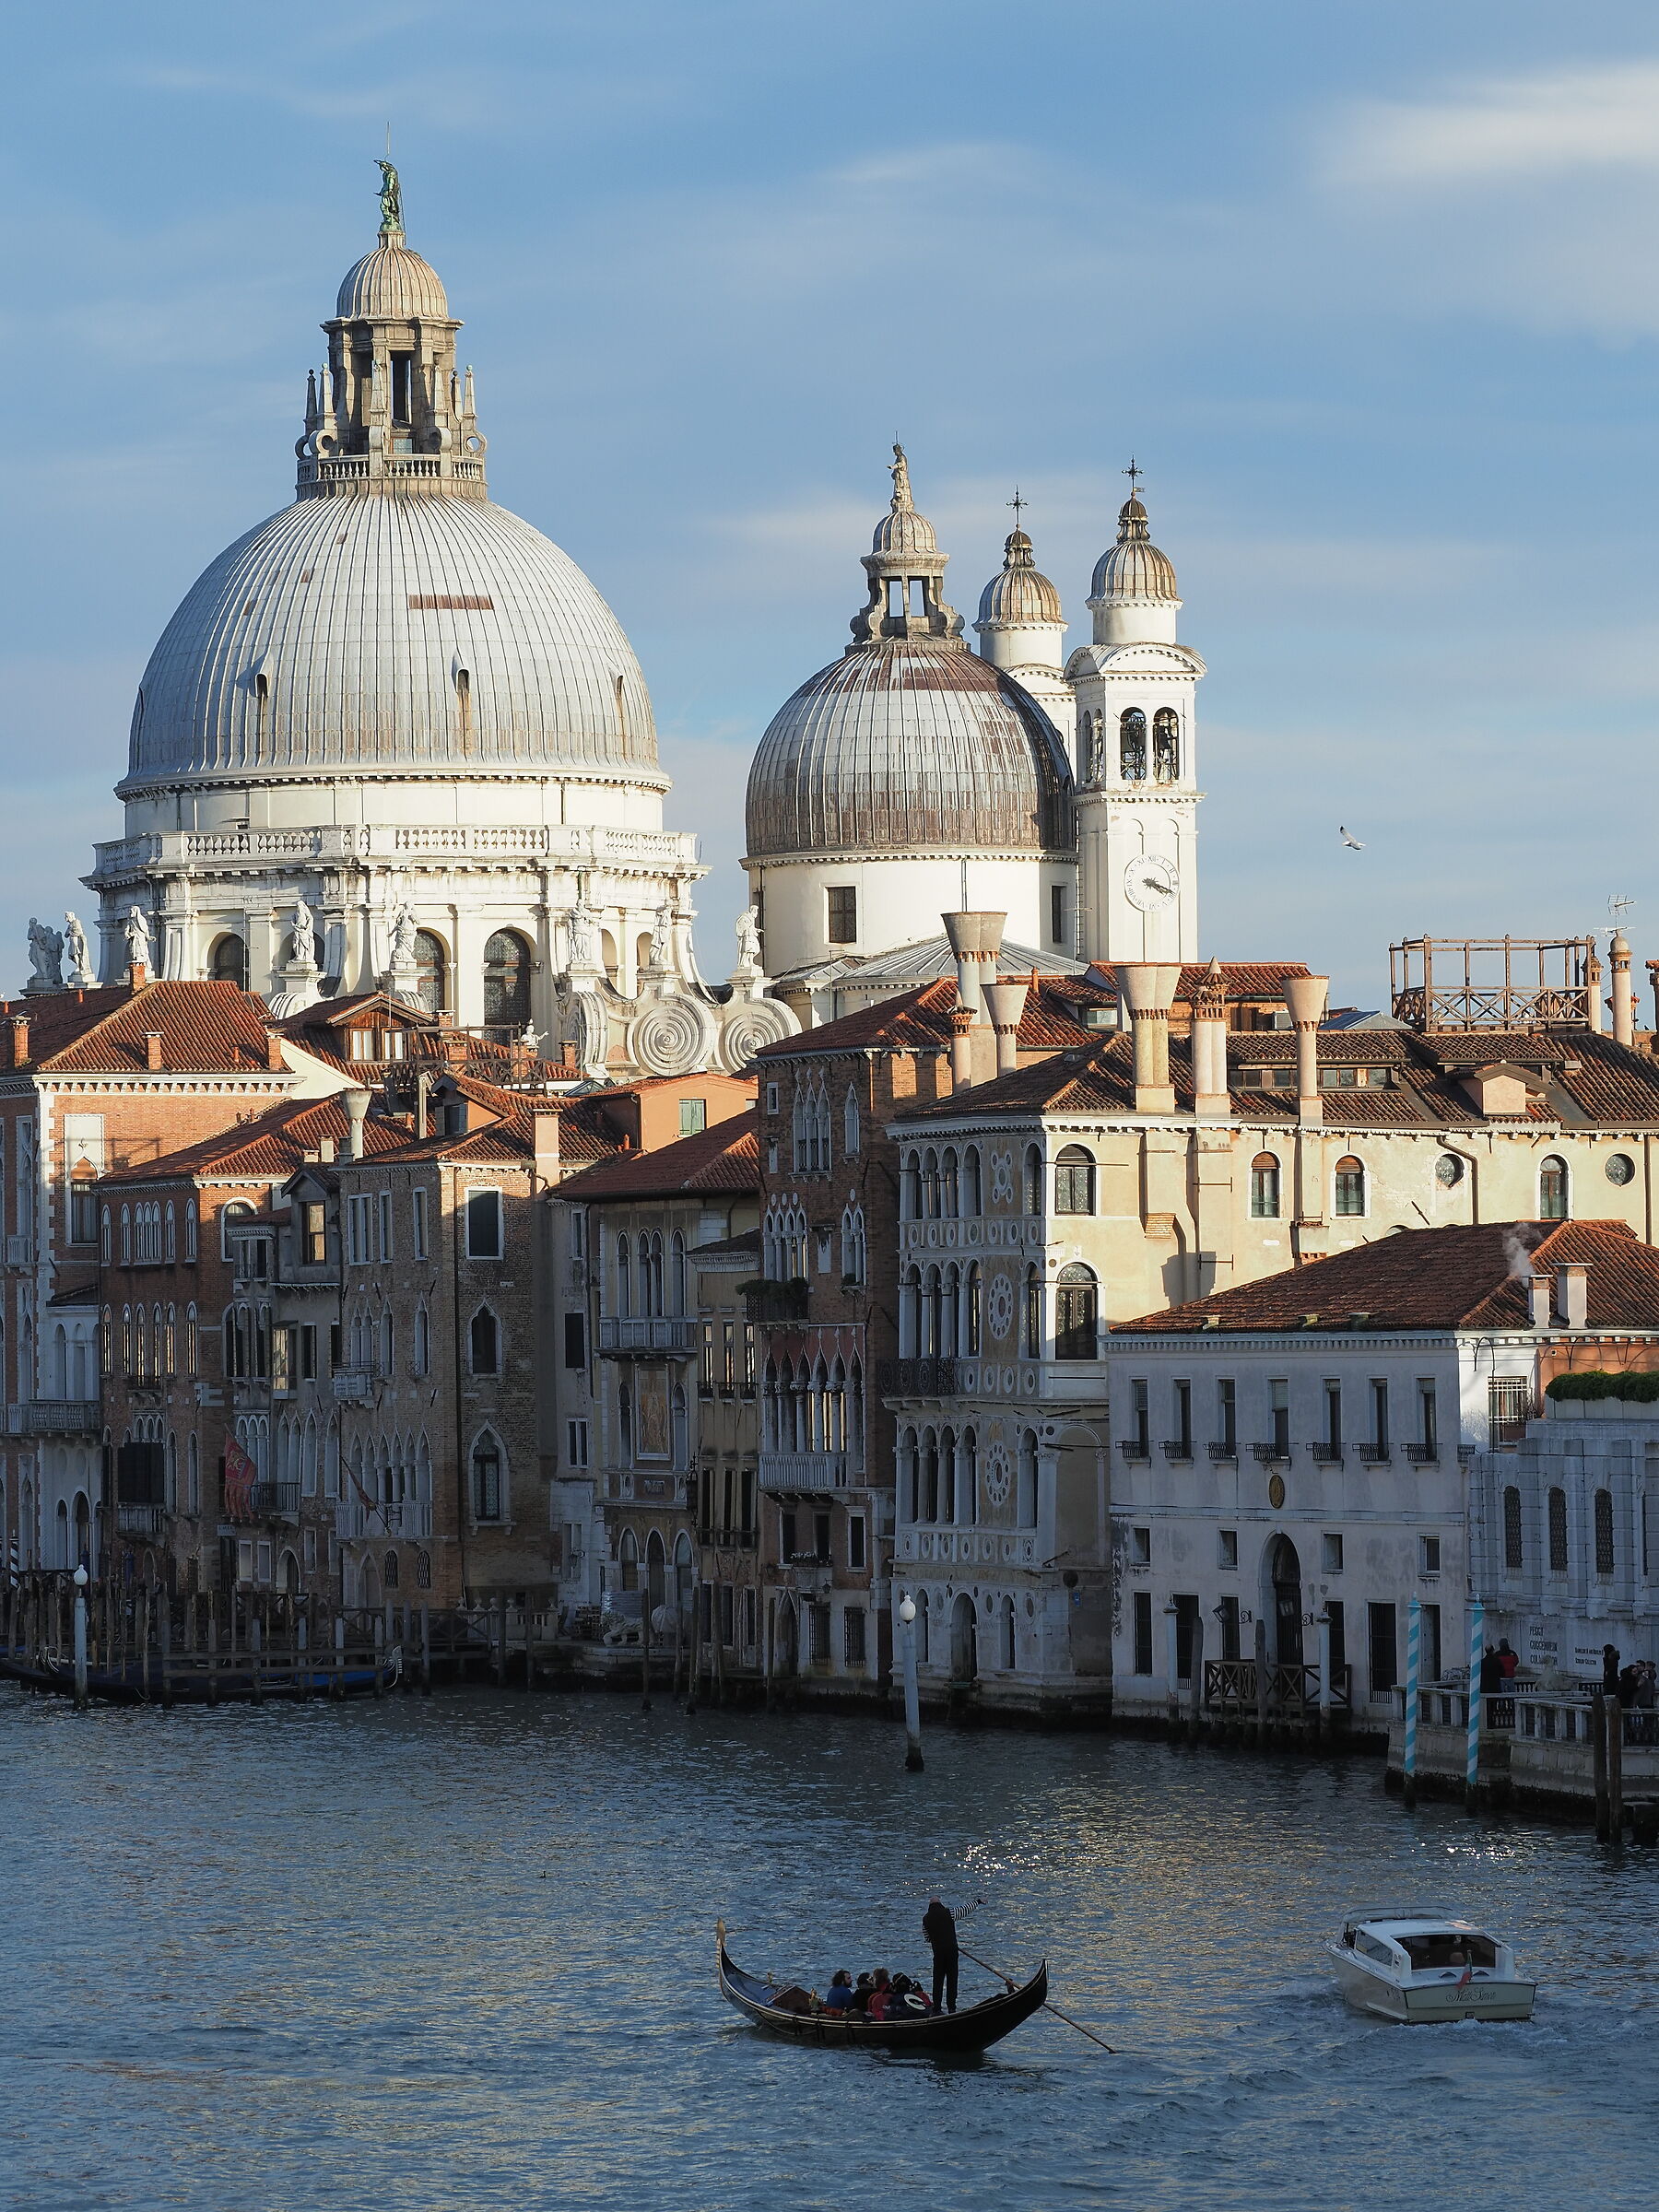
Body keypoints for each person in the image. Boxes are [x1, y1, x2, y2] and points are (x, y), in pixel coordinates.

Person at [923, 1897, 959, 2014]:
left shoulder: (926, 1919)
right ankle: (951, 2007)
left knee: (938, 1981)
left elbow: (927, 1938)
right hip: (952, 1952)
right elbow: (964, 1909)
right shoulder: (949, 1912)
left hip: (938, 1953)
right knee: (952, 1979)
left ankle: (937, 2007)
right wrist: (978, 1902)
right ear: (940, 1903)